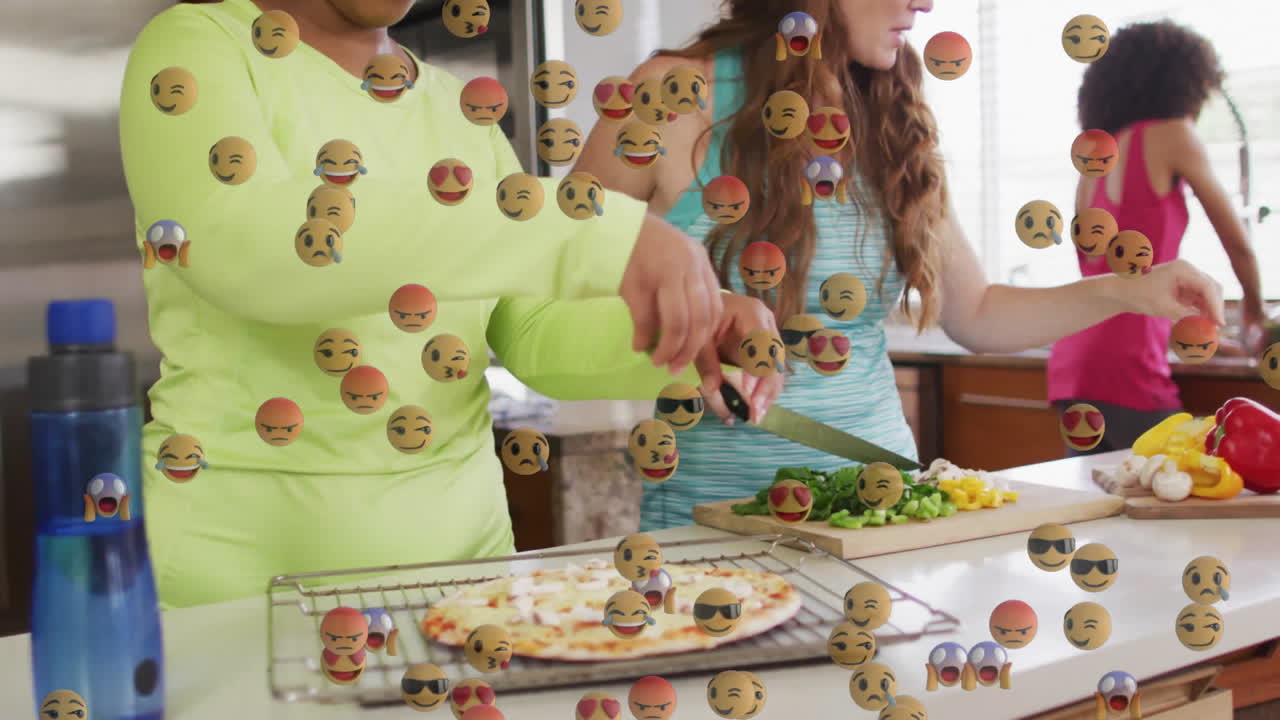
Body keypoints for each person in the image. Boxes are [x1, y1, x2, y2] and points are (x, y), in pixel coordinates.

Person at [119, 0, 726, 607]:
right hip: (242, 582)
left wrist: (693, 330)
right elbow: (247, 245)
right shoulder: (196, 45)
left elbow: (533, 330)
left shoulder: (458, 109)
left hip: (467, 578)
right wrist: (591, 232)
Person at [569, 0, 1230, 531]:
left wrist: (1126, 290)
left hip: (882, 512)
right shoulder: (671, 95)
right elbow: (559, 268)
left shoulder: (891, 115)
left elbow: (978, 314)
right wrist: (698, 311)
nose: (925, 4)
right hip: (713, 522)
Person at [1047, 20, 1267, 456]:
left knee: (1107, 510)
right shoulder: (1172, 135)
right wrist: (1255, 317)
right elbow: (1237, 241)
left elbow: (1115, 281)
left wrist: (1183, 333)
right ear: (1183, 83)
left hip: (1073, 365)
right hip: (1127, 371)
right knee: (1186, 493)